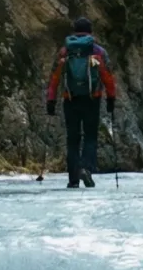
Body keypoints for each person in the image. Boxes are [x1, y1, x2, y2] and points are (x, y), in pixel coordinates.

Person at [46, 17, 118, 188]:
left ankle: (73, 179)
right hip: (92, 99)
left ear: (75, 31)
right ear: (90, 32)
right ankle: (86, 168)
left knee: (72, 139)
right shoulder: (98, 51)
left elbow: (55, 77)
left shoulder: (65, 51)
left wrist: (51, 100)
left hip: (70, 99)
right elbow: (107, 76)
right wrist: (111, 98)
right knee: (90, 137)